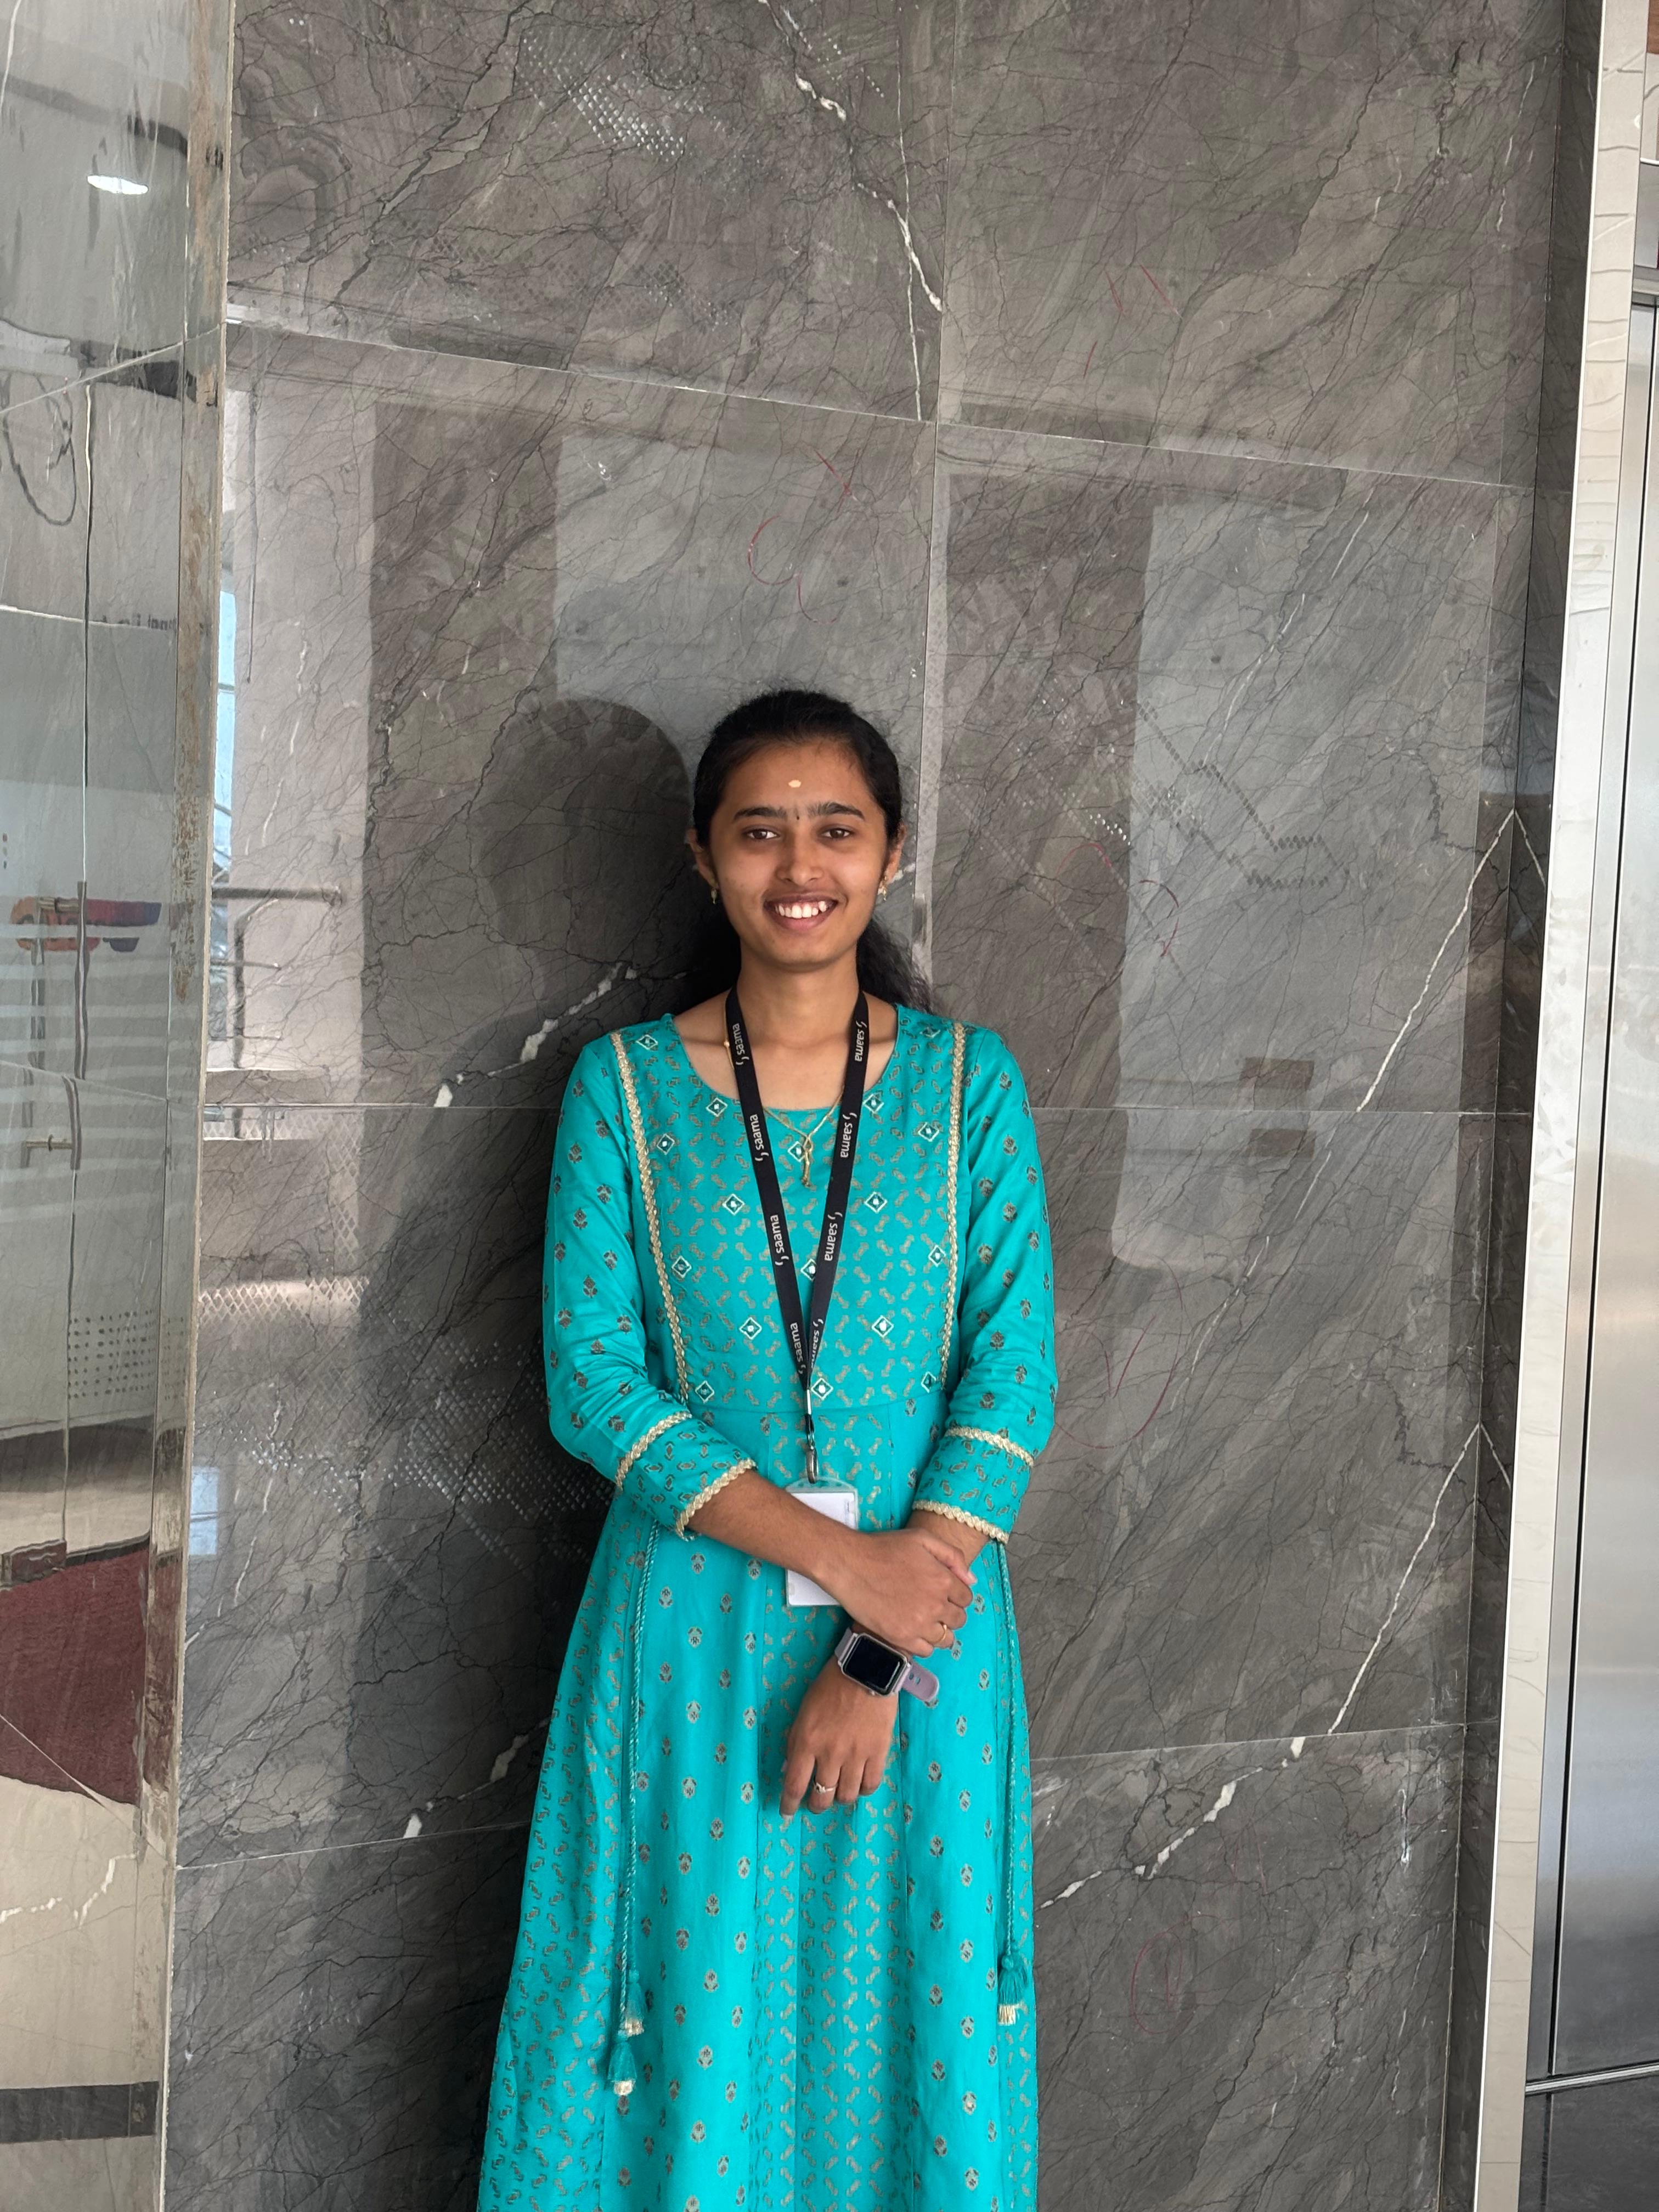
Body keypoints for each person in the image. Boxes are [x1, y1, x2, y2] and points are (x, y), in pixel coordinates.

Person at [478, 689, 1058, 2211]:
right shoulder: (623, 1091)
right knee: (685, 2013)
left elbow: (1010, 1382)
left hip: (924, 1649)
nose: (800, 866)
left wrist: (874, 1652)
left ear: (892, 853)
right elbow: (593, 1383)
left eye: (836, 829)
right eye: (760, 832)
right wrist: (846, 1567)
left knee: (912, 2013)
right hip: (693, 1633)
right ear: (704, 856)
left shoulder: (967, 1087)